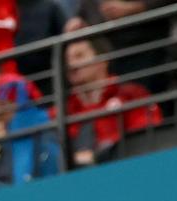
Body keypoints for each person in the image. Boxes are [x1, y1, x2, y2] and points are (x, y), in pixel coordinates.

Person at [63, 37, 162, 166]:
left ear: (102, 60)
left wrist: (101, 156)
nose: (71, 65)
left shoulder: (132, 95)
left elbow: (146, 139)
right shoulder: (62, 112)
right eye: (67, 60)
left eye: (79, 56)